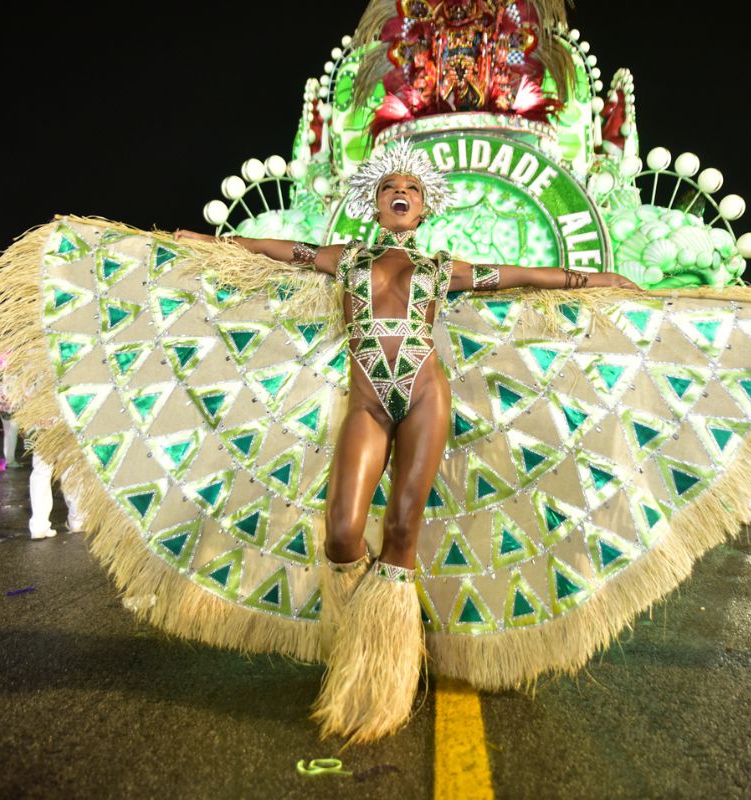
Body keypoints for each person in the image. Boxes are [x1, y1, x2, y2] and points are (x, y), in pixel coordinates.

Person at [176, 140, 640, 743]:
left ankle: (384, 670)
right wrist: (211, 245)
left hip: (424, 396)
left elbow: (525, 277)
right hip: (368, 401)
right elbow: (273, 251)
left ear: (423, 210)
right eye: (391, 185)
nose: (402, 191)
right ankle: (359, 632)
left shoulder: (441, 268)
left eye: (413, 188)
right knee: (341, 532)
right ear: (374, 203)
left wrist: (598, 278)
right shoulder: (342, 260)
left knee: (400, 533)